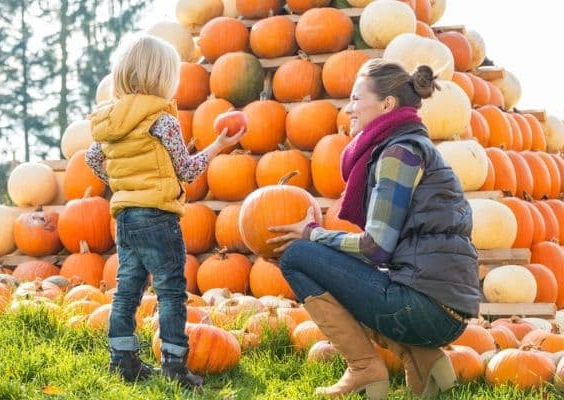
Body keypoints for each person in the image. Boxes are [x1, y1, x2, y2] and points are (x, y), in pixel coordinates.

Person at [268, 59, 480, 400]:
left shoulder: (399, 154)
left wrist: (313, 235)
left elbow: (376, 246)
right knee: (330, 265)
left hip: (425, 308)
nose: (349, 108)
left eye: (356, 98)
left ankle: (364, 369)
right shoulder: (410, 146)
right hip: (440, 306)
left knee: (297, 256)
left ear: (388, 104)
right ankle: (425, 361)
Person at [85, 34, 245, 389]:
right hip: (158, 215)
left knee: (127, 290)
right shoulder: (162, 120)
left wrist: (123, 180)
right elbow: (186, 171)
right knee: (171, 290)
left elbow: (93, 158)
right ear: (163, 78)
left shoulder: (110, 119)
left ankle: (122, 360)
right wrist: (218, 145)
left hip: (125, 216)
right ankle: (175, 365)